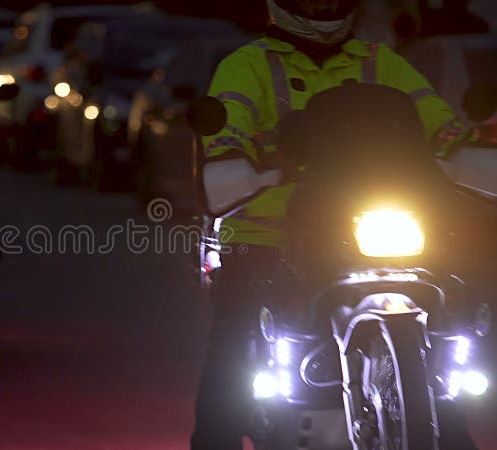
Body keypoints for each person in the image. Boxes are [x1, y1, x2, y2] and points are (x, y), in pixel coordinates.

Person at [192, 0, 478, 449]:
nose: (323, 4)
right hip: (270, 233)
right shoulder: (247, 66)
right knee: (234, 343)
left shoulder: (380, 62)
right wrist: (235, 157)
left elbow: (439, 123)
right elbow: (226, 131)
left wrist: (464, 144)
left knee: (453, 311)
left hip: (367, 223)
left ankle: (451, 432)